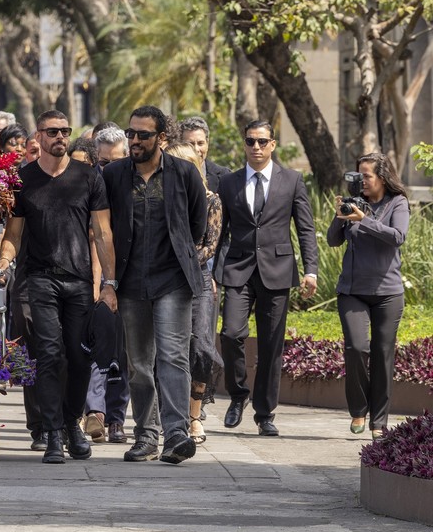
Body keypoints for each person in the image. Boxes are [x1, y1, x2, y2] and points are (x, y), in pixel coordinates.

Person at [0, 109, 117, 464]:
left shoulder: (89, 177)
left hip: (79, 281)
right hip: (40, 279)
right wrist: (4, 261)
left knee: (79, 357)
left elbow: (102, 233)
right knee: (50, 354)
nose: (60, 137)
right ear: (39, 135)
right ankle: (51, 433)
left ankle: (71, 425)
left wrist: (107, 283)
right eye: (52, 132)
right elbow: (13, 235)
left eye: (64, 131)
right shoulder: (23, 180)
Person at [101, 106, 207, 464]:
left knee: (174, 356)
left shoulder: (184, 173)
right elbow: (105, 229)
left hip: (173, 280)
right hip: (130, 282)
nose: (134, 140)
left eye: (143, 135)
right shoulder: (114, 175)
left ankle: (176, 434)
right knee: (139, 363)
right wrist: (109, 283)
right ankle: (146, 434)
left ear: (162, 138)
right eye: (131, 133)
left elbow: (196, 226)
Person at [216, 120, 318, 436]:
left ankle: (265, 413)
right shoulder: (229, 182)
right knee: (231, 333)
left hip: (277, 271)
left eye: (262, 141)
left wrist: (310, 269)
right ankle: (238, 395)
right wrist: (213, 271)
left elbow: (305, 228)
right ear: (244, 144)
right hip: (238, 269)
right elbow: (219, 231)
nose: (256, 147)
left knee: (272, 345)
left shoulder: (292, 180)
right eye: (250, 141)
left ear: (273, 144)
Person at [326, 153, 409, 440]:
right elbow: (333, 240)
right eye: (358, 175)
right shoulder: (355, 203)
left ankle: (379, 422)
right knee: (357, 348)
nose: (361, 180)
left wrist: (365, 219)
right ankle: (358, 410)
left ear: (382, 178)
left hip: (387, 293)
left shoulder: (397, 203)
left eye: (366, 176)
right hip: (352, 291)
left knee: (383, 354)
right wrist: (341, 216)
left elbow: (397, 236)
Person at [164, 143, 223, 444]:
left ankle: (194, 415)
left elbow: (210, 244)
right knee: (170, 348)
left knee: (200, 346)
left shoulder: (211, 199)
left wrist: (182, 260)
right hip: (165, 278)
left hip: (196, 277)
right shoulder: (160, 199)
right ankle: (171, 416)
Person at [82, 125, 131, 445]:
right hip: (97, 279)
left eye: (115, 162)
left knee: (124, 352)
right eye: (102, 162)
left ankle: (116, 419)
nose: (108, 169)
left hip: (131, 279)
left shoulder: (134, 186)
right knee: (96, 347)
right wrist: (99, 285)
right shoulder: (88, 186)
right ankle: (94, 413)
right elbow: (93, 238)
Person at [179, 116, 230, 192]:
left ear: (207, 143)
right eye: (190, 144)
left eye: (200, 143)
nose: (196, 149)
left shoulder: (224, 176)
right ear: (180, 144)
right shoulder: (171, 175)